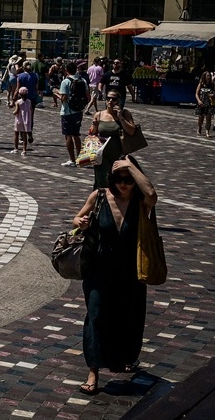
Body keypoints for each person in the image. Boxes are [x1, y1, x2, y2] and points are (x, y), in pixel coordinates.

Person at [71, 155, 156, 395]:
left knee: (128, 315)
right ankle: (93, 371)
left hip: (131, 269)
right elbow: (76, 218)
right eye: (119, 179)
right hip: (99, 268)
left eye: (128, 179)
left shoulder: (141, 202)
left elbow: (152, 195)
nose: (123, 184)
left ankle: (125, 357)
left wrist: (130, 165)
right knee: (96, 314)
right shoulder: (99, 196)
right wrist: (82, 222)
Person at [89, 89, 136, 190]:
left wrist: (120, 118)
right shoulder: (99, 114)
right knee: (102, 182)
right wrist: (95, 126)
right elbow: (93, 134)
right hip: (101, 155)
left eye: (113, 99)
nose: (110, 101)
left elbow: (132, 131)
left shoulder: (125, 114)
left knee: (117, 182)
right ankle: (101, 203)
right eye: (108, 98)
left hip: (119, 154)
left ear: (118, 101)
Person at [58, 61, 87, 166]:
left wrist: (57, 94)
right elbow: (87, 96)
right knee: (76, 135)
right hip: (78, 111)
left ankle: (72, 159)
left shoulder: (65, 82)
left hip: (67, 111)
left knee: (68, 136)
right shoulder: (82, 80)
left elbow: (64, 99)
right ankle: (79, 158)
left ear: (66, 70)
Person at [11, 86, 32, 155]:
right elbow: (30, 110)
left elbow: (17, 111)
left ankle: (16, 148)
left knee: (16, 134)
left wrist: (13, 112)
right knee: (24, 135)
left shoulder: (18, 102)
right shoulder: (29, 102)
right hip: (26, 120)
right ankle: (24, 150)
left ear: (19, 94)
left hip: (19, 120)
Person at [194, 71, 213, 137]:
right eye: (207, 76)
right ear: (204, 76)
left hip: (209, 104)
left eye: (209, 76)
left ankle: (207, 132)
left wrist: (212, 95)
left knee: (208, 118)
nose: (209, 77)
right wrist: (199, 101)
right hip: (201, 103)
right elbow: (196, 93)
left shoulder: (212, 85)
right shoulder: (201, 84)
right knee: (201, 118)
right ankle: (199, 127)